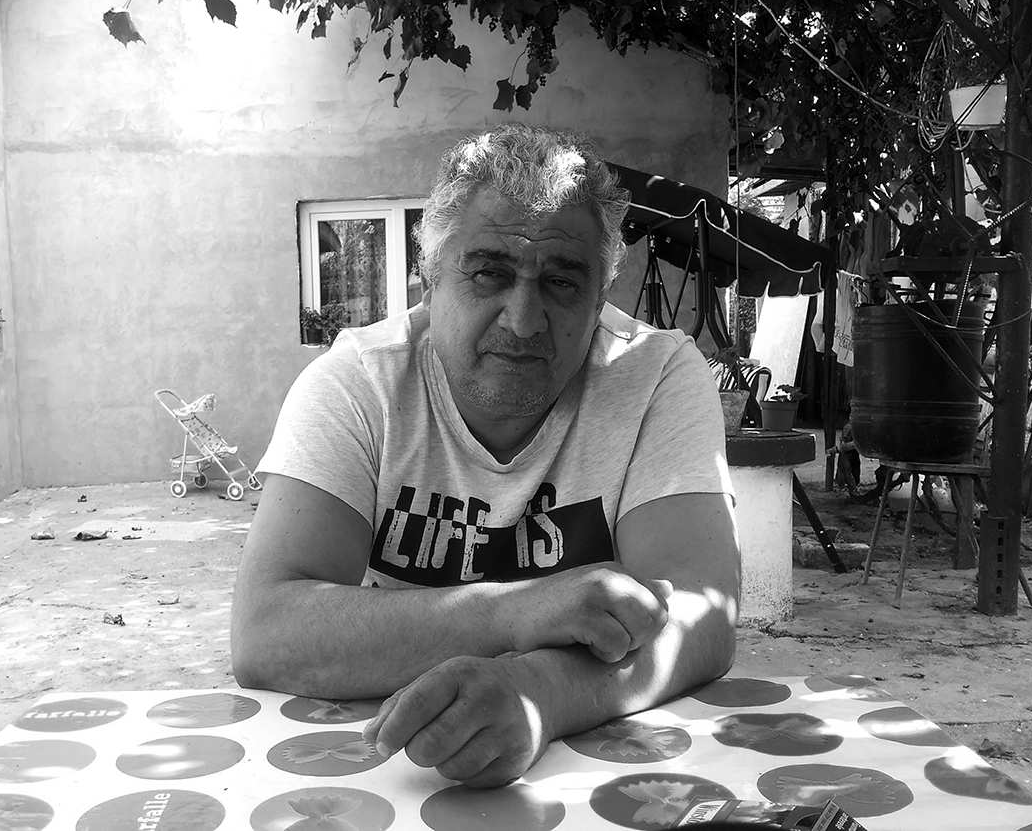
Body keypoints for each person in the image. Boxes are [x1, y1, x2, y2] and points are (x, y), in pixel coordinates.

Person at [232, 123, 740, 788]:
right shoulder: (359, 384)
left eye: (562, 284)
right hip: (386, 764)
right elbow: (267, 634)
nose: (524, 320)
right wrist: (515, 613)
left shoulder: (657, 376)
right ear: (429, 275)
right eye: (489, 273)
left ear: (599, 299)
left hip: (607, 768)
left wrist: (541, 692)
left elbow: (703, 615)